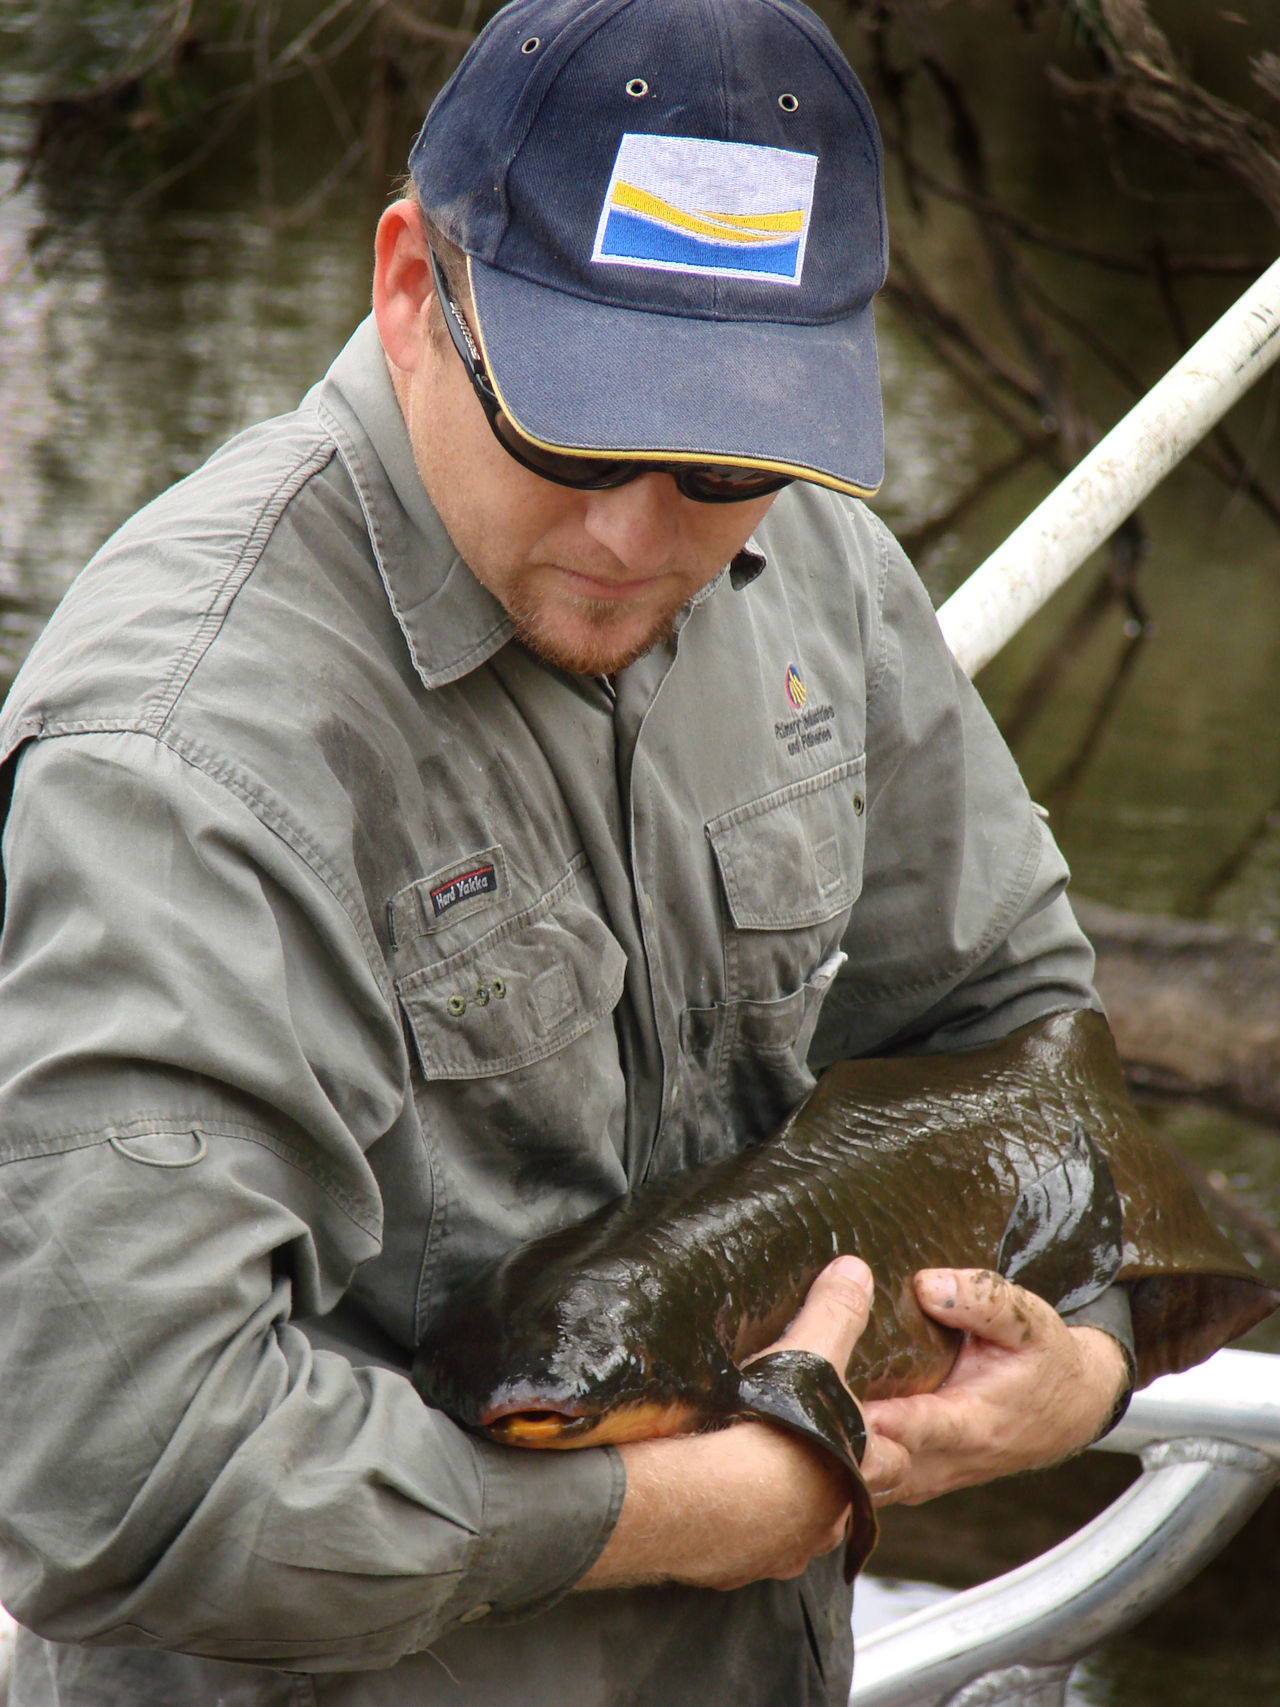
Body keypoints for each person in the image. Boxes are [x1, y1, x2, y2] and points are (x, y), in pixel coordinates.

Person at [0, 1, 1134, 1702]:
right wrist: (674, 1508)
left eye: (723, 456)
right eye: (574, 434)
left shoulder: (821, 568)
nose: (634, 533)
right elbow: (125, 1474)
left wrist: (1085, 1365)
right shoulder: (183, 757)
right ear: (409, 291)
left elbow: (1016, 1039)